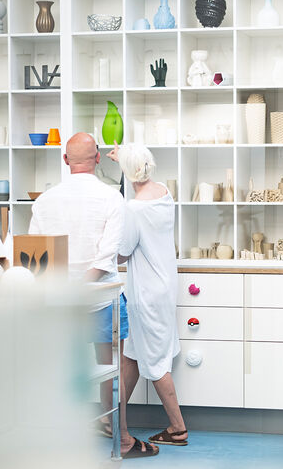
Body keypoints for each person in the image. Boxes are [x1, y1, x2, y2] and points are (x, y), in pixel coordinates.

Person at [27, 133, 138, 452]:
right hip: (101, 297)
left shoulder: (45, 201)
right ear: (98, 158)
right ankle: (120, 435)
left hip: (58, 301)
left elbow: (35, 255)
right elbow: (106, 256)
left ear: (65, 160)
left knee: (59, 367)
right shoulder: (111, 197)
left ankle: (57, 436)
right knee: (111, 368)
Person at [106, 143, 187, 457]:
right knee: (132, 355)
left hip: (146, 293)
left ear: (128, 173)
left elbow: (123, 253)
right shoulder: (164, 193)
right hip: (164, 286)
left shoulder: (134, 209)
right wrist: (124, 161)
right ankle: (112, 417)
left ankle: (178, 428)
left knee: (154, 360)